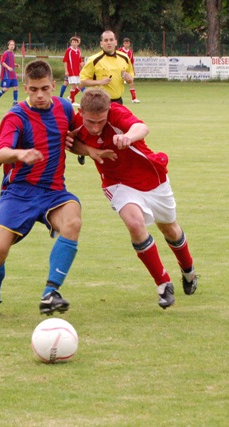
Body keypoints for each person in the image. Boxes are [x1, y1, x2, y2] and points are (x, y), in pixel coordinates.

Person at [66, 88, 198, 309]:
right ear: (83, 113)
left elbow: (141, 127)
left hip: (151, 178)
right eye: (91, 122)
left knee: (170, 229)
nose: (96, 127)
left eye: (101, 121)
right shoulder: (76, 121)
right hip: (116, 182)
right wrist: (89, 150)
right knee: (135, 225)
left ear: (108, 111)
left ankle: (189, 270)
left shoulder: (117, 113)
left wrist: (128, 136)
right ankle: (163, 283)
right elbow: (71, 143)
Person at [0, 59, 81, 318]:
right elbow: (1, 154)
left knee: (73, 220)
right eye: (34, 89)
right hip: (19, 192)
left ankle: (51, 292)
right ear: (25, 88)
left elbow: (80, 134)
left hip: (54, 192)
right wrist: (21, 154)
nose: (39, 95)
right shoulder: (16, 116)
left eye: (45, 89)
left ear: (53, 86)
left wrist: (86, 148)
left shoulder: (65, 108)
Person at [79, 30, 134, 105]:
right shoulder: (94, 60)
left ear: (116, 42)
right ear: (101, 44)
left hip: (118, 101)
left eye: (111, 40)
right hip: (99, 102)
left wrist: (130, 79)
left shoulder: (124, 57)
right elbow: (83, 81)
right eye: (106, 40)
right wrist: (100, 82)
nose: (109, 42)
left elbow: (130, 73)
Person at [0, 40, 20, 107]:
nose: (12, 46)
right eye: (11, 44)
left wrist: (15, 65)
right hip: (7, 74)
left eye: (13, 45)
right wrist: (8, 67)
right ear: (8, 46)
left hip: (13, 74)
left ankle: (15, 102)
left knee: (16, 87)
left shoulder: (12, 54)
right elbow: (2, 62)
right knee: (6, 89)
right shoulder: (5, 53)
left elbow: (11, 63)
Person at [59, 36, 83, 107]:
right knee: (73, 85)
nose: (74, 43)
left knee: (76, 84)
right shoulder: (69, 50)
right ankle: (71, 100)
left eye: (75, 42)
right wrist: (66, 71)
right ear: (71, 43)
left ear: (78, 43)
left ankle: (69, 98)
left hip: (76, 71)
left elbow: (80, 61)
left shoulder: (78, 51)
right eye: (72, 42)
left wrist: (84, 68)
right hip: (71, 71)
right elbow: (65, 61)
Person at [118, 38, 141, 103]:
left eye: (128, 43)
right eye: (125, 43)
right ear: (123, 44)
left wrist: (133, 69)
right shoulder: (120, 51)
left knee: (131, 83)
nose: (126, 44)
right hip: (121, 69)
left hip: (128, 69)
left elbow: (132, 61)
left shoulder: (130, 52)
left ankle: (134, 99)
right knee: (119, 84)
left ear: (129, 44)